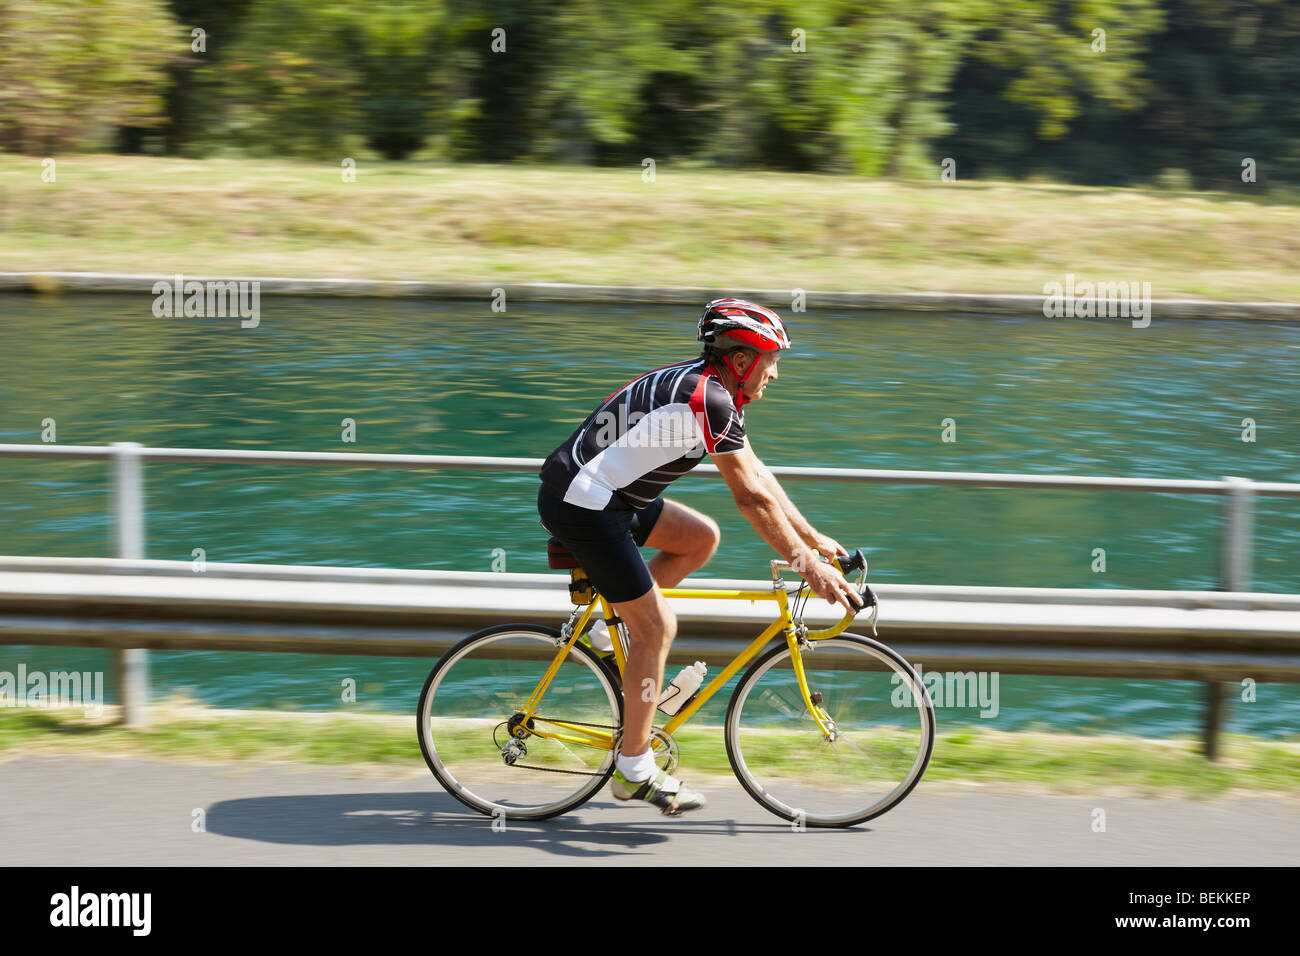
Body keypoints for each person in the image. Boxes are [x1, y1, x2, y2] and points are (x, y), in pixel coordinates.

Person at [536, 297, 863, 815]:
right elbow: (750, 500)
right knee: (658, 628)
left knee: (700, 537)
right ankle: (635, 770)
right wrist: (809, 568)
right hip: (585, 505)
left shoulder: (712, 391)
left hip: (610, 497)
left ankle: (606, 633)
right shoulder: (708, 400)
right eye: (771, 360)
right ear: (740, 361)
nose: (775, 373)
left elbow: (759, 478)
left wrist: (813, 539)